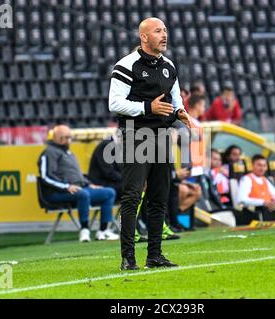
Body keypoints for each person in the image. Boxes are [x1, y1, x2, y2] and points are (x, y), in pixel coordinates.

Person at [109, 17, 191, 270]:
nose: (164, 35)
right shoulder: (125, 66)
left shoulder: (169, 66)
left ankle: (154, 255)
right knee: (132, 196)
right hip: (136, 135)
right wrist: (148, 107)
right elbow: (114, 103)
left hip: (163, 136)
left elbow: (176, 100)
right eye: (158, 31)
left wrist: (180, 112)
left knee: (159, 197)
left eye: (165, 30)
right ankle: (128, 258)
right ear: (144, 37)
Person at [38, 125, 119, 242]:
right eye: (66, 137)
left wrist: (89, 184)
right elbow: (45, 177)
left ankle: (103, 230)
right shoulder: (48, 153)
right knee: (83, 194)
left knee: (109, 192)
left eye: (69, 137)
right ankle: (84, 230)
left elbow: (76, 176)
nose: (69, 140)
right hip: (56, 192)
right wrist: (66, 187)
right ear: (57, 137)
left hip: (78, 189)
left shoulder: (68, 153)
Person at [237, 154, 275, 223]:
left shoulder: (264, 180)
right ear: (252, 166)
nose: (262, 168)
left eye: (264, 166)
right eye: (259, 165)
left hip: (266, 209)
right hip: (254, 211)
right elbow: (241, 200)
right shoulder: (246, 179)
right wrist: (263, 202)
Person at [88, 133, 122, 201]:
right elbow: (108, 172)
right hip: (101, 183)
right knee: (132, 187)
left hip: (111, 181)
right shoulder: (106, 145)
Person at [186, 94, 207, 170]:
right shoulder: (187, 122)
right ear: (197, 105)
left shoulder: (197, 124)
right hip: (192, 167)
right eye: (203, 106)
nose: (204, 109)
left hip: (199, 166)